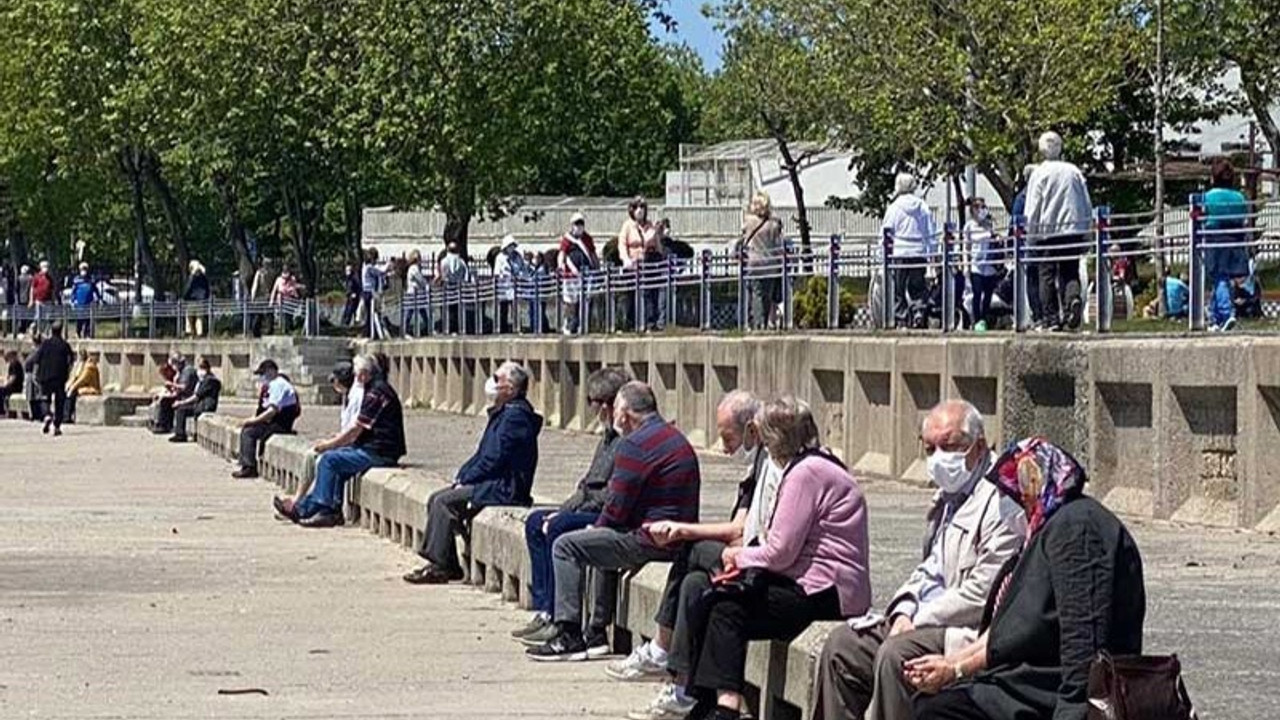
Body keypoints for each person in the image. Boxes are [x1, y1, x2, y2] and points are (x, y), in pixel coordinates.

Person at [810, 401, 1022, 720]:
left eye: (950, 446)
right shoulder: (949, 497)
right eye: (930, 449)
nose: (939, 458)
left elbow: (982, 594)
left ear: (979, 445)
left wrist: (919, 618)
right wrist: (904, 610)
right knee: (844, 646)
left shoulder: (1002, 502)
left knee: (898, 656)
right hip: (925, 617)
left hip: (965, 629)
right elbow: (928, 569)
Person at [909, 437, 1146, 720]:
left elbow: (1084, 634)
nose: (1009, 502)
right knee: (931, 701)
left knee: (940, 712)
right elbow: (1009, 628)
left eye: (1014, 491)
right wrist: (954, 667)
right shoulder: (1049, 528)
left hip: (1049, 690)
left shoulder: (1077, 528)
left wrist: (1073, 710)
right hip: (1026, 680)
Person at [681, 396, 870, 720]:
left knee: (727, 607)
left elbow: (780, 552)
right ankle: (706, 700)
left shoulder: (805, 474)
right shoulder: (817, 464)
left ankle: (725, 706)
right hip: (809, 582)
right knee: (708, 594)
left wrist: (737, 555)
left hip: (825, 592)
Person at [614, 391, 784, 720]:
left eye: (728, 436)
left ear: (751, 429)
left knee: (689, 548)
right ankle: (683, 688)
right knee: (693, 584)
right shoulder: (757, 461)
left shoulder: (770, 463)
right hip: (747, 551)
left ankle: (662, 649)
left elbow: (740, 530)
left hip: (757, 560)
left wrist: (684, 530)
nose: (724, 447)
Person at [525, 381, 701, 662]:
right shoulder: (673, 437)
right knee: (593, 540)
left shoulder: (634, 444)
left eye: (617, 410)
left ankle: (568, 634)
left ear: (626, 414)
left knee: (565, 546)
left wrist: (595, 527)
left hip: (649, 540)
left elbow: (616, 508)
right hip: (675, 535)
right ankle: (595, 631)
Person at [511, 367, 631, 647]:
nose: (591, 409)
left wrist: (568, 515)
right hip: (588, 504)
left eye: (592, 402)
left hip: (604, 513)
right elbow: (587, 484)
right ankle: (545, 607)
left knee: (559, 530)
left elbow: (609, 494)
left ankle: (562, 617)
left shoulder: (624, 441)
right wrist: (564, 509)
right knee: (535, 522)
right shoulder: (607, 437)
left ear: (606, 404)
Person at [404, 361, 543, 585]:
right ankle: (446, 562)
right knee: (436, 498)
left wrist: (468, 480)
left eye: (498, 379)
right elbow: (481, 454)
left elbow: (494, 459)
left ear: (510, 388)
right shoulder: (505, 413)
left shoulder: (515, 418)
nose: (492, 382)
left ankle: (441, 565)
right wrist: (462, 476)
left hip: (505, 488)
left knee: (443, 502)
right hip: (493, 482)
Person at [276, 355, 406, 528]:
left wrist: (329, 445)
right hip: (371, 447)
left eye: (357, 373)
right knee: (337, 465)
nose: (355, 377)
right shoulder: (373, 389)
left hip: (379, 452)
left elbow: (355, 430)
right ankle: (318, 510)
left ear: (364, 374)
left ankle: (321, 510)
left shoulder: (377, 392)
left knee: (329, 460)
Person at [1025, 132, 1093, 332]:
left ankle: (1051, 318)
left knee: (1046, 274)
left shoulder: (1039, 173)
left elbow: (1033, 206)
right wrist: (1087, 232)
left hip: (1047, 232)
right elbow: (1086, 203)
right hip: (1072, 229)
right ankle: (1072, 300)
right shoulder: (1074, 171)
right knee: (1069, 270)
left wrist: (1030, 235)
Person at [882, 174, 938, 328]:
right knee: (917, 286)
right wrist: (933, 251)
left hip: (900, 252)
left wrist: (883, 253)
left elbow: (886, 231)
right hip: (918, 252)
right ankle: (918, 312)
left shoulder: (894, 208)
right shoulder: (922, 206)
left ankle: (901, 318)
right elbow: (930, 230)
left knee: (899, 289)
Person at [1203, 157, 1251, 332]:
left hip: (1215, 239)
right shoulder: (1239, 197)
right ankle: (1214, 319)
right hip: (1236, 240)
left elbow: (1200, 217)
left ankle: (1226, 314)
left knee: (1220, 277)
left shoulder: (1207, 197)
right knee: (1222, 280)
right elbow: (1244, 218)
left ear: (1213, 177)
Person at [233, 359, 301, 479]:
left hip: (280, 423)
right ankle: (246, 463)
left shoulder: (278, 384)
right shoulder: (275, 384)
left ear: (272, 371)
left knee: (249, 432)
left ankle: (249, 467)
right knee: (250, 429)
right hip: (277, 421)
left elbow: (271, 411)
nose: (261, 377)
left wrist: (252, 421)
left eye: (262, 373)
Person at [740, 192, 784, 331]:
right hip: (771, 264)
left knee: (757, 294)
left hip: (754, 263)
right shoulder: (774, 224)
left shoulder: (749, 222)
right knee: (767, 296)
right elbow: (778, 245)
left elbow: (743, 234)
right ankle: (764, 322)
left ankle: (758, 325)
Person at [617, 196, 659, 331]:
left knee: (650, 293)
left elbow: (654, 242)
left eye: (642, 207)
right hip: (632, 264)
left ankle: (650, 323)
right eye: (636, 207)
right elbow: (622, 244)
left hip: (647, 263)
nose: (639, 210)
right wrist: (626, 259)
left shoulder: (649, 225)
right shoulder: (627, 226)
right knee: (631, 294)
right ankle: (630, 324)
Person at [1011, 164, 1044, 327]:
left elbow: (1014, 224)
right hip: (1039, 243)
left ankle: (1038, 315)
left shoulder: (1022, 198)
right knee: (1041, 279)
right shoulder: (1038, 195)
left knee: (1033, 281)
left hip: (1030, 245)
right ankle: (1042, 314)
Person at [30, 323, 75, 436]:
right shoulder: (65, 345)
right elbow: (71, 360)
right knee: (59, 402)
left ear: (51, 330)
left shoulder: (45, 344)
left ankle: (47, 415)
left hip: (45, 376)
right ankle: (57, 426)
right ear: (61, 331)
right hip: (60, 377)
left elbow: (37, 359)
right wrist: (68, 373)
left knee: (45, 398)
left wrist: (35, 374)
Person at [964, 198, 1001, 332]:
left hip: (990, 265)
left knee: (988, 294)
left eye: (983, 207)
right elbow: (966, 246)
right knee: (977, 293)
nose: (981, 210)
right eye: (978, 207)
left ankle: (984, 318)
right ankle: (977, 320)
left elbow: (996, 239)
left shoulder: (989, 224)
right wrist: (965, 265)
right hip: (976, 265)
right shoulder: (969, 226)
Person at [558, 214, 599, 336]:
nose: (579, 226)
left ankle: (583, 324)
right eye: (577, 224)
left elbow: (592, 254)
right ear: (572, 225)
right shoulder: (567, 239)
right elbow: (562, 254)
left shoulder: (587, 238)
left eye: (581, 223)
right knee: (571, 302)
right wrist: (560, 266)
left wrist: (597, 268)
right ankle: (569, 324)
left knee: (585, 300)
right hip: (571, 276)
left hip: (586, 275)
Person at [169, 356, 221, 443]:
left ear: (207, 368)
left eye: (202, 368)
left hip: (205, 406)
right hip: (201, 404)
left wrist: (181, 403)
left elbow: (196, 396)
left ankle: (180, 434)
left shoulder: (210, 380)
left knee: (181, 409)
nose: (200, 371)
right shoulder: (204, 380)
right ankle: (178, 431)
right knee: (180, 407)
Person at [152, 353, 197, 435]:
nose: (173, 367)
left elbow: (184, 387)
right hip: (181, 396)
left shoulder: (188, 371)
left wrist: (172, 385)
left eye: (174, 364)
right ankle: (163, 424)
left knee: (167, 402)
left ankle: (165, 426)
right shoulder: (180, 372)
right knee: (164, 400)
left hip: (187, 398)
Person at [64, 350, 102, 424]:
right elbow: (75, 376)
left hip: (92, 388)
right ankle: (65, 414)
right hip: (85, 387)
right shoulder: (82, 365)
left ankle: (67, 415)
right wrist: (69, 384)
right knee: (68, 391)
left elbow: (82, 380)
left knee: (73, 392)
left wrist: (72, 387)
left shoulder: (90, 367)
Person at [69, 263, 99, 339]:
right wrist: (72, 301)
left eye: (85, 269)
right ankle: (78, 333)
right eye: (82, 269)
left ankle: (87, 334)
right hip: (80, 304)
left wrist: (98, 299)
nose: (84, 271)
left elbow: (96, 290)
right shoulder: (76, 280)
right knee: (80, 319)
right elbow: (73, 291)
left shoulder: (91, 280)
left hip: (89, 303)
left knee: (88, 320)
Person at [405, 250, 430, 336]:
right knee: (410, 311)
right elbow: (420, 280)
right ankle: (405, 329)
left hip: (417, 294)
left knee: (422, 311)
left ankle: (427, 328)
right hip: (413, 294)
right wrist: (426, 284)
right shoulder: (414, 268)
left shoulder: (415, 268)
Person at [183, 260, 211, 337]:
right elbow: (207, 289)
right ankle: (199, 333)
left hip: (191, 301)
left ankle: (190, 333)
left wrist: (184, 297)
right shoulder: (204, 278)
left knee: (189, 318)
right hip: (201, 301)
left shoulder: (191, 278)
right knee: (199, 318)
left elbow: (187, 288)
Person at [250, 260, 278, 337]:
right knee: (269, 315)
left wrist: (253, 297)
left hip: (260, 297)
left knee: (258, 315)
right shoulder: (273, 273)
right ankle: (269, 331)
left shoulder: (259, 273)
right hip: (269, 296)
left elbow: (255, 286)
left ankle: (256, 332)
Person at [0, 349, 24, 417]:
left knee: (1, 391)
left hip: (16, 387)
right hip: (14, 386)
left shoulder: (15, 364)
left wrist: (5, 385)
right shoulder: (12, 364)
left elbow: (13, 378)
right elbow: (9, 377)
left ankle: (1, 411)